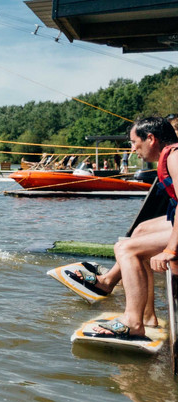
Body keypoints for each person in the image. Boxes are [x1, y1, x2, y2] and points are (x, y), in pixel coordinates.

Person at [73, 116, 178, 341]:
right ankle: (147, 317)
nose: (132, 150)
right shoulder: (170, 155)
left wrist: (170, 249)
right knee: (139, 232)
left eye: (133, 142)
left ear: (150, 139)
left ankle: (133, 322)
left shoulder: (175, 156)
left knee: (126, 249)